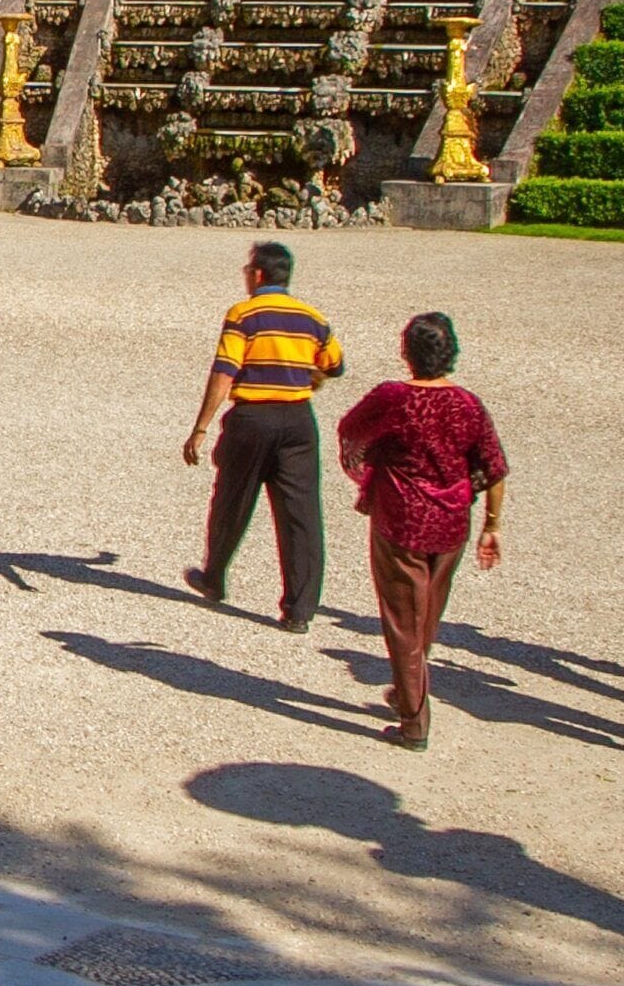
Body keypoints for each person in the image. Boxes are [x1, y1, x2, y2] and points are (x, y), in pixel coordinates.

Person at [335, 312, 509, 750]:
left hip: (403, 519)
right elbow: (494, 465)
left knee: (403, 621)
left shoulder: (393, 398)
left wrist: (377, 460)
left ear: (407, 352)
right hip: (452, 523)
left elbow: (350, 430)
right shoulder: (468, 404)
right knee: (427, 613)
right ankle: (406, 690)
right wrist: (492, 524)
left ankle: (414, 721)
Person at [180, 241, 345, 633]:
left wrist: (201, 427)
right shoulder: (312, 318)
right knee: (301, 515)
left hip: (252, 418)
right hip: (298, 421)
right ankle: (299, 609)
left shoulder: (244, 315)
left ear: (257, 275)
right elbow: (335, 364)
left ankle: (214, 577)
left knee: (232, 500)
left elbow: (225, 370)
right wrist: (310, 375)